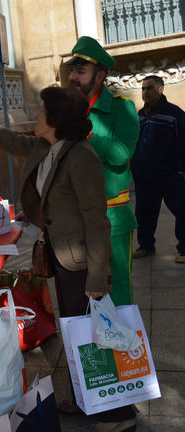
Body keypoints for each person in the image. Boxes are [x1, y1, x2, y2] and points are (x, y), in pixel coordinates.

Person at [0, 87, 136, 432]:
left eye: (41, 112)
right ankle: (88, 399)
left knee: (93, 335)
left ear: (55, 121)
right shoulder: (47, 147)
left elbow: (96, 219)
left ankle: (118, 414)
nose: (36, 116)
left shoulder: (81, 156)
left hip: (81, 263)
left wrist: (98, 279)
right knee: (76, 332)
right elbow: (10, 140)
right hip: (62, 256)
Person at [64, 36, 140, 307]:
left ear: (100, 76)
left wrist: (87, 134)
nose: (72, 77)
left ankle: (124, 349)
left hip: (113, 219)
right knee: (82, 297)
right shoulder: (70, 111)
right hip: (75, 221)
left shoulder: (122, 108)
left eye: (80, 72)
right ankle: (95, 349)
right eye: (72, 70)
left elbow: (121, 155)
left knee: (116, 293)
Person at [130, 75, 185, 263]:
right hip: (144, 175)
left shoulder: (175, 114)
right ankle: (146, 246)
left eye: (149, 88)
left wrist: (180, 169)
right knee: (144, 213)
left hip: (170, 175)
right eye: (143, 89)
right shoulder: (139, 115)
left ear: (160, 89)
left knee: (182, 210)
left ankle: (184, 249)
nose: (145, 92)